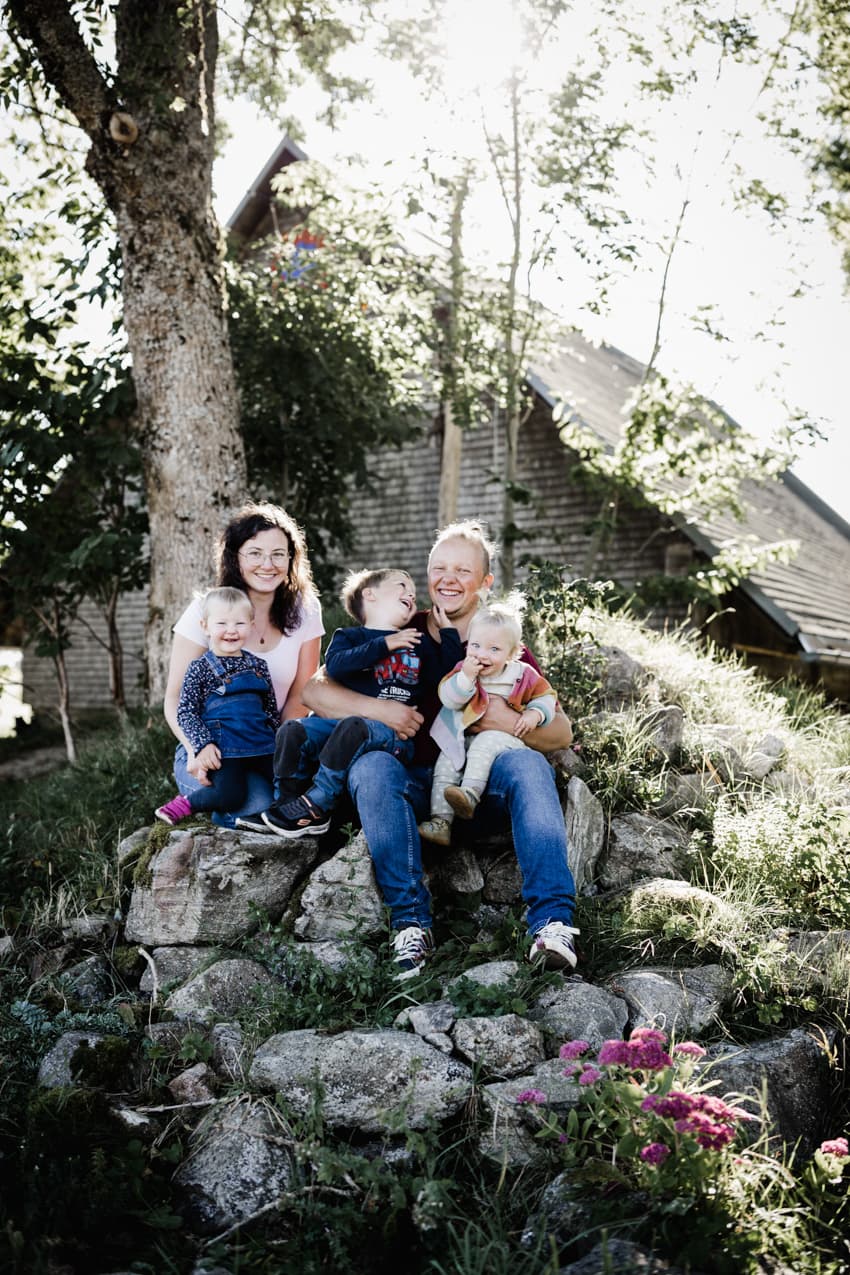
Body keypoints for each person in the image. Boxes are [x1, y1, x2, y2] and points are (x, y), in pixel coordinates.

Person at [302, 520, 579, 980]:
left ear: (485, 582)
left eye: (463, 570)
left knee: (528, 762)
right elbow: (315, 693)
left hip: (478, 790)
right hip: (411, 787)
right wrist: (382, 711)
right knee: (371, 766)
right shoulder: (400, 630)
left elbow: (561, 733)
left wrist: (504, 720)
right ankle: (411, 926)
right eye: (438, 568)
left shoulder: (502, 642)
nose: (448, 579)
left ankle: (553, 925)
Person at [261, 567, 463, 838]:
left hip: (393, 738)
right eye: (401, 585)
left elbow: (445, 673)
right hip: (343, 729)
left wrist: (448, 633)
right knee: (293, 730)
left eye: (414, 594)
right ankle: (284, 805)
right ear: (370, 595)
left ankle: (319, 803)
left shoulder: (417, 642)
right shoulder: (349, 637)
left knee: (354, 726)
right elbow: (336, 666)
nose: (411, 594)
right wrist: (385, 645)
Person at [163, 502, 323, 830]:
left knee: (291, 808)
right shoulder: (205, 612)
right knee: (253, 810)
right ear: (235, 556)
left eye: (279, 554)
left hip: (266, 747)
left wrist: (280, 757)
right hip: (211, 750)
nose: (268, 564)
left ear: (292, 559)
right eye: (255, 553)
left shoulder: (306, 611)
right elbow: (175, 700)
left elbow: (300, 697)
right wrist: (199, 747)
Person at [419, 596, 557, 846]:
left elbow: (545, 696)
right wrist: (465, 677)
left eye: (494, 649)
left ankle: (470, 795)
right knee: (446, 762)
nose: (482, 655)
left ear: (513, 653)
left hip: (503, 739)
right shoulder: (464, 669)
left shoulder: (522, 674)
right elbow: (449, 699)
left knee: (485, 741)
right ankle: (441, 821)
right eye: (476, 646)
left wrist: (534, 713)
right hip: (464, 737)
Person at [155, 588, 279, 825]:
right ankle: (186, 803)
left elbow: (270, 710)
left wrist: (279, 741)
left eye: (240, 623)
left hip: (263, 745)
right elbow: (186, 712)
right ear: (205, 626)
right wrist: (203, 744)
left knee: (287, 785)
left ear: (252, 625)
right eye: (222, 623)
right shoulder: (199, 668)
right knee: (231, 795)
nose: (231, 630)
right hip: (225, 749)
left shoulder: (259, 666)